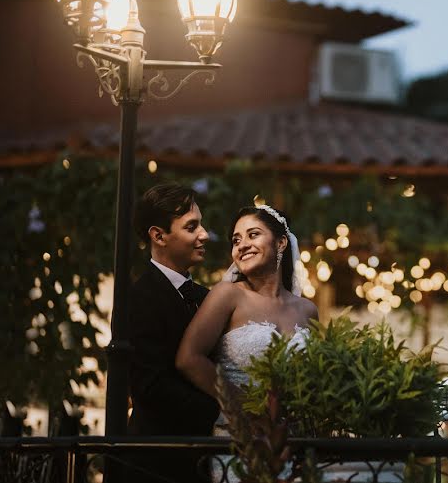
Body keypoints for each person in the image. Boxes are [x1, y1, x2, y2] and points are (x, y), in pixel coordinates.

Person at [176, 205, 318, 481]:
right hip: (240, 441)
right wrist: (244, 408)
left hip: (294, 445)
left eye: (253, 235)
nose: (242, 245)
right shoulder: (227, 295)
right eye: (236, 240)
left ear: (280, 242)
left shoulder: (307, 310)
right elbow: (188, 358)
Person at [126, 183, 220, 483]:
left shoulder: (207, 297)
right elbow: (150, 387)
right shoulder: (138, 298)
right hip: (155, 464)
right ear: (158, 235)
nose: (204, 234)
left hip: (203, 461)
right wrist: (224, 409)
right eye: (192, 227)